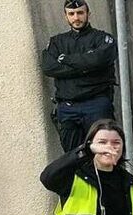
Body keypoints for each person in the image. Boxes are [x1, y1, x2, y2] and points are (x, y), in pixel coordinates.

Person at [41, 0, 118, 151]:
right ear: (66, 16)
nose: (76, 17)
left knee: (103, 152)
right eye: (71, 14)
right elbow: (49, 67)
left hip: (97, 104)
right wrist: (86, 67)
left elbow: (98, 60)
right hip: (68, 108)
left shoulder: (102, 39)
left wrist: (66, 59)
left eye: (80, 13)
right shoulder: (57, 42)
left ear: (88, 14)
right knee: (73, 157)